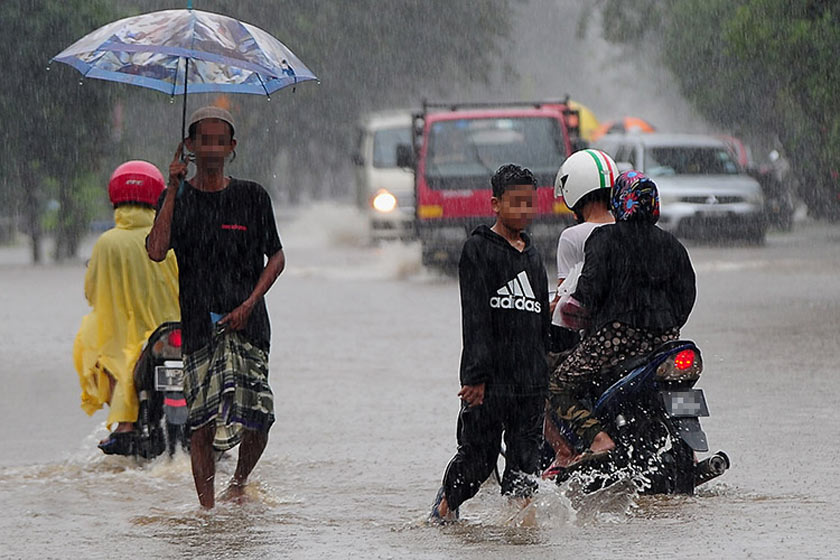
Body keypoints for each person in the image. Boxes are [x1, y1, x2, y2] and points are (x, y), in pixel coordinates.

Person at [146, 106, 285, 509]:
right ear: (189, 145)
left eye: (218, 141)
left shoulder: (252, 196)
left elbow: (276, 257)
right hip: (198, 327)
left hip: (249, 325)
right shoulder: (177, 198)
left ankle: (238, 482)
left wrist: (250, 303)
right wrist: (173, 187)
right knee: (201, 422)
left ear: (231, 146)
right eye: (203, 140)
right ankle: (206, 511)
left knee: (259, 414)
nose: (210, 148)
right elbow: (156, 250)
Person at [545, 170, 696, 472]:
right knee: (681, 390)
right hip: (665, 342)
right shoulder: (672, 244)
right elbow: (687, 297)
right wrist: (664, 325)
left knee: (558, 384)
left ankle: (598, 440)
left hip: (614, 339)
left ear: (619, 203)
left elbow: (587, 293)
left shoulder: (604, 239)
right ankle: (690, 450)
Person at [430, 164, 550, 523]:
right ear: (495, 204)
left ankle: (519, 534)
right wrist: (475, 377)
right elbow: (475, 317)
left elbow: (541, 321)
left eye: (529, 202)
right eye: (516, 202)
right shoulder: (478, 249)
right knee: (477, 460)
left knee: (525, 466)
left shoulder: (533, 256)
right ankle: (443, 512)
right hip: (491, 380)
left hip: (530, 381)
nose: (524, 210)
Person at [73, 161, 180, 454]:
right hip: (175, 331)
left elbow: (92, 293)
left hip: (132, 339)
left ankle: (125, 425)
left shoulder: (107, 243)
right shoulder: (171, 234)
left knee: (95, 345)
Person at [543, 149, 618, 469]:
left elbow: (565, 297)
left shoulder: (573, 237)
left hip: (596, 340)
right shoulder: (629, 229)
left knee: (543, 383)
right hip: (643, 335)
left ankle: (564, 451)